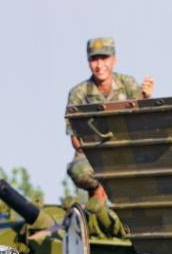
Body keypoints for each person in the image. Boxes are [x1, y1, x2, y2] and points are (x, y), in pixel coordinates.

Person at [65, 38, 154, 201]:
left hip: (127, 150)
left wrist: (145, 98)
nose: (99, 65)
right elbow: (75, 139)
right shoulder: (78, 93)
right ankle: (99, 192)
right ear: (88, 62)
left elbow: (143, 122)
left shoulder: (128, 84)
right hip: (92, 154)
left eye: (104, 58)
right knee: (81, 171)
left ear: (114, 60)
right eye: (94, 59)